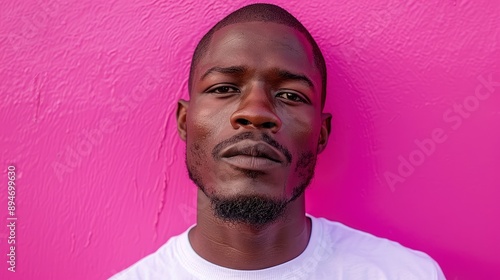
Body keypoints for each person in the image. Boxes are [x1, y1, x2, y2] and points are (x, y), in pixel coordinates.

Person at [110, 3, 446, 279]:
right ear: (185, 121)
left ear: (321, 134)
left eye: (290, 94)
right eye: (224, 88)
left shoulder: (405, 274)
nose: (256, 112)